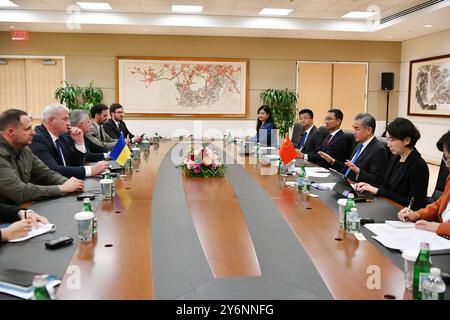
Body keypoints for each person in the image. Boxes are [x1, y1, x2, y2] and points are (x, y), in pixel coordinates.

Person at [0, 109, 83, 204]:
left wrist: (68, 183)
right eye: (27, 129)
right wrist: (61, 188)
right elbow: (19, 192)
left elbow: (46, 173)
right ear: (11, 132)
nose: (33, 132)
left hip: (21, 209)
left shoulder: (24, 148)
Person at [355, 117, 429, 210]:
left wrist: (377, 190)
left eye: (392, 140)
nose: (388, 144)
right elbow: (385, 186)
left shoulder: (418, 166)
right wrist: (369, 187)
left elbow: (413, 204)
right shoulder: (395, 158)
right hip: (387, 206)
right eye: (387, 139)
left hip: (402, 213)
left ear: (407, 140)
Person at [30, 104, 110, 179]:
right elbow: (53, 170)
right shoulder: (37, 138)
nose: (69, 123)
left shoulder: (62, 137)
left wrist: (79, 143)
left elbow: (76, 165)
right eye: (65, 119)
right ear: (51, 120)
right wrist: (91, 170)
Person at [397, 130, 450, 238]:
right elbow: (440, 203)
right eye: (446, 159)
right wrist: (417, 214)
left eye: (448, 159)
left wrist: (438, 227)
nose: (447, 165)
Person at [318, 113, 388, 186]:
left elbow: (377, 180)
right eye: (353, 128)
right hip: (346, 184)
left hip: (361, 191)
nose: (354, 132)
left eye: (357, 129)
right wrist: (333, 161)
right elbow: (348, 170)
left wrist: (358, 171)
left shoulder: (378, 149)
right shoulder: (359, 145)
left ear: (369, 130)